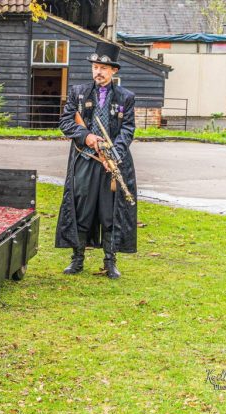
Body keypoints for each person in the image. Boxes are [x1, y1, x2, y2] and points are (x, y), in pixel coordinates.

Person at [56, 41, 138, 279]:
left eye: (103, 67)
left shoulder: (126, 98)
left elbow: (128, 129)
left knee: (110, 211)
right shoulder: (78, 93)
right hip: (85, 159)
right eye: (95, 67)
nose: (98, 72)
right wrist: (87, 136)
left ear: (114, 71)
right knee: (81, 208)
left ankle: (110, 261)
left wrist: (113, 154)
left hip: (113, 163)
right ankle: (77, 259)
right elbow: (66, 123)